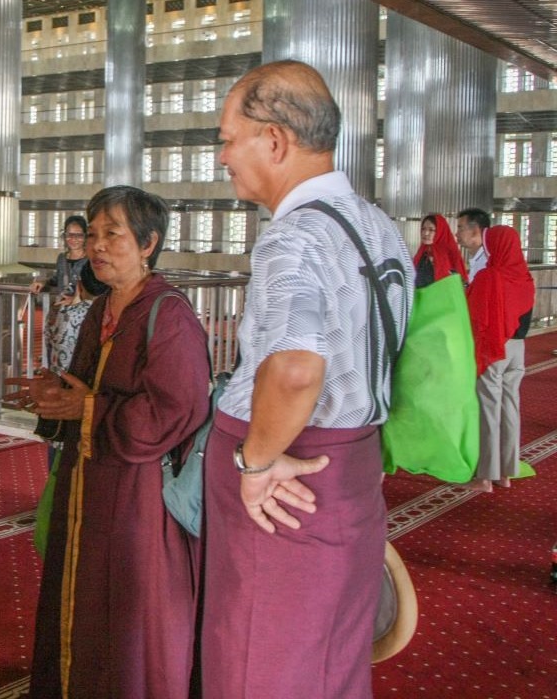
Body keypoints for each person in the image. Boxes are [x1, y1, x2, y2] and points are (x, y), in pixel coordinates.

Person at [203, 60, 413, 699]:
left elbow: (296, 368)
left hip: (287, 487)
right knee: (331, 665)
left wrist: (255, 461)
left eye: (227, 138)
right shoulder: (378, 226)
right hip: (349, 474)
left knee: (258, 666)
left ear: (274, 140)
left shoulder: (293, 237)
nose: (222, 157)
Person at [7, 186, 210, 698]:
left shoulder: (169, 315)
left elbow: (174, 411)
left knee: (125, 624)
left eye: (111, 234)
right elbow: (82, 390)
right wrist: (54, 399)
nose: (97, 246)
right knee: (78, 604)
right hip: (86, 490)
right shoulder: (103, 310)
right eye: (92, 234)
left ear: (148, 243)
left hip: (138, 503)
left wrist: (87, 409)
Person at [455, 213, 534, 492]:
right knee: (509, 408)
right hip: (518, 350)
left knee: (488, 409)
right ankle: (506, 472)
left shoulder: (490, 277)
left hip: (494, 350)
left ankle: (485, 476)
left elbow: (476, 317)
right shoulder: (525, 278)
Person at [29, 214, 93, 372]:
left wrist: (77, 298)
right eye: (69, 234)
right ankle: (55, 381)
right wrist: (43, 282)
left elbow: (97, 287)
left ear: (85, 236)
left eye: (78, 235)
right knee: (54, 348)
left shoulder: (91, 260)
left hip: (80, 314)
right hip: (59, 312)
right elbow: (57, 279)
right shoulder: (62, 258)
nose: (73, 239)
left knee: (75, 352)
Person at [414, 213, 468, 288]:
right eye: (423, 229)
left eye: (431, 230)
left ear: (440, 231)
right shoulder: (421, 252)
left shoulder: (450, 253)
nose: (425, 233)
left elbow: (461, 282)